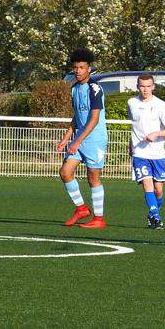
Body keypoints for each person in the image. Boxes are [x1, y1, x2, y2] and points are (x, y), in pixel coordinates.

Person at [55, 49, 108, 229]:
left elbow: (94, 119)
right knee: (65, 172)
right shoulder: (74, 88)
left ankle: (99, 218)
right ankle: (81, 209)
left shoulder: (95, 89)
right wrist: (66, 138)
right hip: (80, 139)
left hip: (95, 140)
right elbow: (77, 117)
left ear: (89, 69)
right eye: (75, 67)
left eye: (82, 67)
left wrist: (77, 141)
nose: (78, 71)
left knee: (92, 177)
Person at [127, 74, 165, 230]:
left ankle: (153, 212)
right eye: (142, 86)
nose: (145, 89)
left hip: (157, 154)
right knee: (147, 183)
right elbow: (134, 126)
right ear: (137, 87)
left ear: (153, 86)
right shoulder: (132, 103)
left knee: (158, 190)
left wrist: (156, 134)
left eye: (148, 86)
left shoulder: (161, 105)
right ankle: (156, 217)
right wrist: (131, 144)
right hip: (140, 153)